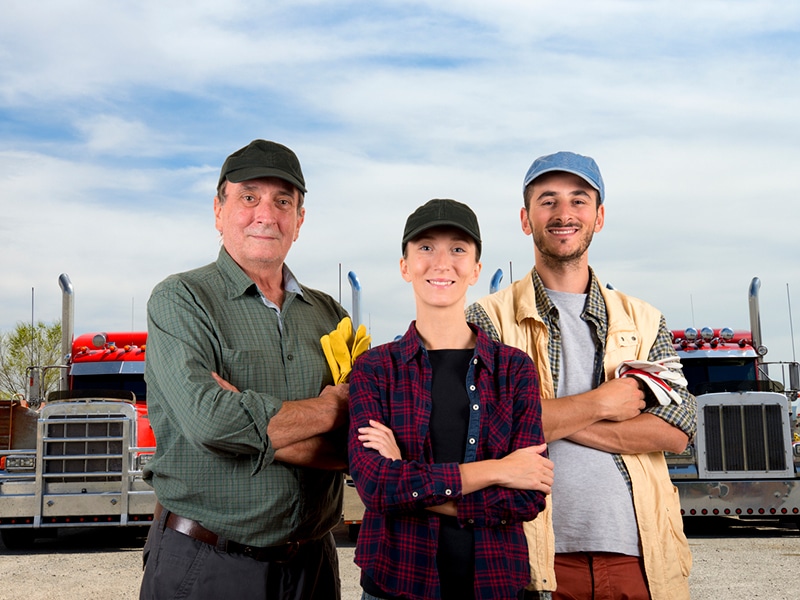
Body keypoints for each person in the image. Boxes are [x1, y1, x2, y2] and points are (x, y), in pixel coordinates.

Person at [466, 152, 696, 600]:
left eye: (579, 200)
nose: (564, 213)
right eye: (547, 201)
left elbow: (676, 430)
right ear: (525, 217)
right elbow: (487, 428)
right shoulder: (487, 319)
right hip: (532, 557)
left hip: (639, 556)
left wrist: (549, 419)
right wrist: (603, 404)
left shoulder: (645, 321)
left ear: (600, 215)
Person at [139, 139, 350, 600]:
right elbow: (211, 422)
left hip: (313, 568)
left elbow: (359, 440)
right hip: (208, 564)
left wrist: (248, 426)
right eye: (249, 197)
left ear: (299, 220)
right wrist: (330, 407)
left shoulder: (330, 316)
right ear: (219, 210)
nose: (266, 213)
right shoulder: (181, 300)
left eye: (283, 201)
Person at [348, 199, 555, 600]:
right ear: (405, 266)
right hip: (395, 583)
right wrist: (498, 470)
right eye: (426, 247)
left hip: (495, 584)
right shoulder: (375, 369)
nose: (442, 262)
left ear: (475, 269)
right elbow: (374, 487)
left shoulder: (515, 370)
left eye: (458, 249)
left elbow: (528, 496)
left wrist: (407, 478)